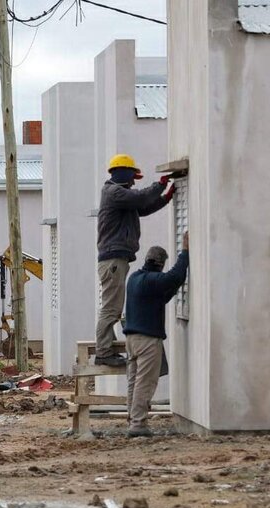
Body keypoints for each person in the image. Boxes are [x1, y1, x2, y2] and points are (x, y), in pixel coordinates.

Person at [95, 154, 178, 365]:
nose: (133, 182)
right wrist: (159, 185)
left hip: (116, 259)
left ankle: (106, 348)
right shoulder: (114, 192)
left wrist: (166, 198)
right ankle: (103, 353)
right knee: (111, 308)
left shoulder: (120, 196)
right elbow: (140, 198)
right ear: (123, 173)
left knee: (112, 306)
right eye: (133, 177)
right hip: (113, 259)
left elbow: (143, 208)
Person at [122, 232, 189, 437]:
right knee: (145, 382)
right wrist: (185, 252)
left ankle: (132, 418)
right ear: (160, 264)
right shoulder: (153, 280)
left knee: (134, 381)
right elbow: (176, 276)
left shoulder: (134, 278)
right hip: (147, 340)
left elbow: (160, 296)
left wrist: (172, 289)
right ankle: (138, 425)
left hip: (131, 340)